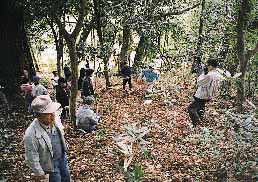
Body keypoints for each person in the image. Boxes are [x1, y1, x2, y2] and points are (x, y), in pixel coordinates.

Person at [23, 95, 70, 181]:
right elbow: (31, 156)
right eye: (48, 114)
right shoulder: (31, 134)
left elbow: (61, 132)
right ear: (38, 116)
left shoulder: (54, 120)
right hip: (50, 165)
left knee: (66, 178)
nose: (52, 116)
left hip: (62, 158)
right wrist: (39, 172)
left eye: (52, 112)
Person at [188, 58, 221, 126]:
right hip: (208, 95)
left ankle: (197, 123)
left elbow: (199, 82)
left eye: (208, 65)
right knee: (200, 108)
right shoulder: (218, 74)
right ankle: (200, 123)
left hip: (203, 95)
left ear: (211, 66)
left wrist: (203, 74)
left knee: (191, 108)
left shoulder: (209, 75)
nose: (207, 67)